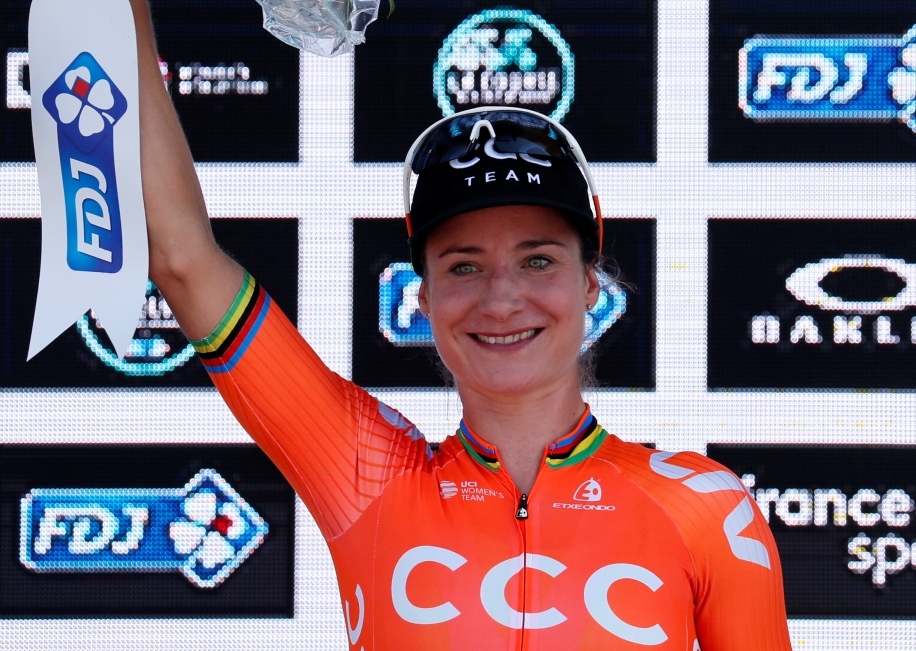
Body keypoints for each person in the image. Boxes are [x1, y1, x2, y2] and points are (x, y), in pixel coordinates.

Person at [130, 1, 792, 648]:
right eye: (464, 265)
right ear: (424, 298)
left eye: (537, 259)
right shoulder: (367, 475)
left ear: (591, 282)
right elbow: (181, 257)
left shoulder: (704, 506)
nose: (502, 297)